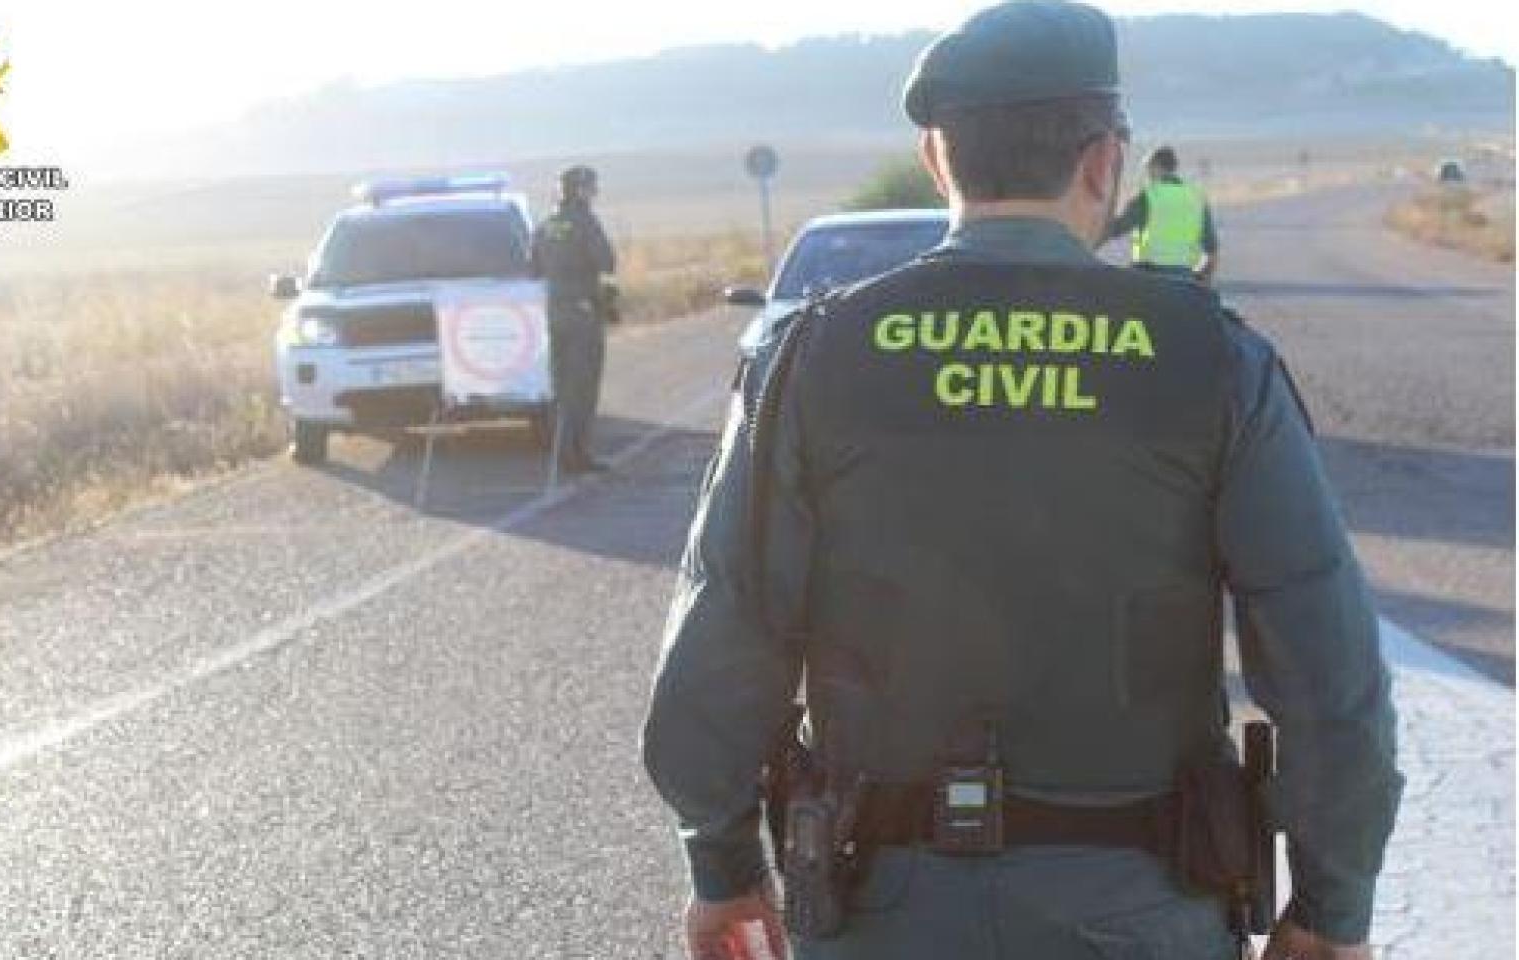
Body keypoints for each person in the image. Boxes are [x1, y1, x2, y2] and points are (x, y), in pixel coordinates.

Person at [641, 3, 1401, 959]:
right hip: (1144, 904)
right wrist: (1334, 905)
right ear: (1103, 163)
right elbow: (1328, 662)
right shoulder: (1208, 358)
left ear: (936, 158)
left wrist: (721, 862)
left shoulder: (816, 357)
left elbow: (730, 626)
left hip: (880, 902)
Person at [531, 164, 617, 473]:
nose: (593, 193)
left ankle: (560, 450)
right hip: (582, 313)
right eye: (591, 187)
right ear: (580, 190)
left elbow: (533, 268)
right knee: (582, 386)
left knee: (559, 384)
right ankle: (575, 455)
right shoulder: (584, 222)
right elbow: (607, 262)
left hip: (552, 314)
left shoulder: (546, 225)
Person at [1106, 145, 1220, 281]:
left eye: (1148, 169)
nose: (1147, 175)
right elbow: (1212, 250)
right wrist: (1199, 279)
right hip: (1183, 277)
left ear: (1157, 167)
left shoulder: (1147, 197)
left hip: (1147, 276)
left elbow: (1116, 228)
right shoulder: (1196, 198)